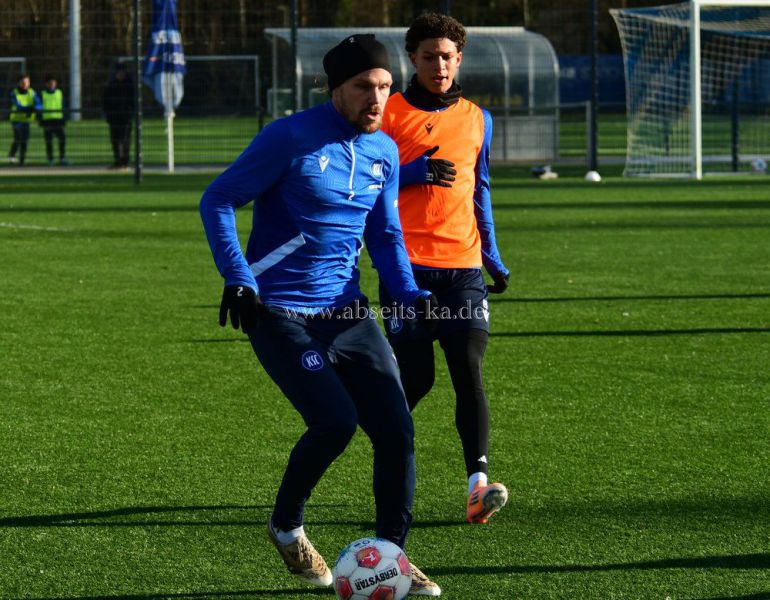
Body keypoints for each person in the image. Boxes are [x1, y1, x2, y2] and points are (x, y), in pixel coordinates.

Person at [199, 34, 442, 597]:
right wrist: (238, 277)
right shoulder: (288, 137)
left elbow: (385, 236)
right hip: (278, 309)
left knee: (397, 430)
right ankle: (286, 526)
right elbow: (217, 199)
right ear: (334, 88)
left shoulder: (383, 151)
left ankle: (393, 558)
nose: (376, 99)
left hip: (348, 310)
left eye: (384, 87)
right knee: (335, 421)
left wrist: (409, 296)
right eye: (363, 87)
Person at [380, 13, 511, 525]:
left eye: (450, 56)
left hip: (463, 268)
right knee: (416, 379)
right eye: (431, 55)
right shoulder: (386, 113)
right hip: (404, 270)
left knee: (468, 373)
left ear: (460, 60)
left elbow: (480, 188)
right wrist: (412, 173)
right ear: (412, 58)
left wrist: (492, 255)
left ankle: (478, 485)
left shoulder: (478, 117)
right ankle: (377, 450)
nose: (441, 65)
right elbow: (366, 184)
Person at [102, 63, 134, 169]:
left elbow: (133, 102)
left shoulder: (129, 85)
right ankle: (117, 160)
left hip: (125, 117)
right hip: (113, 117)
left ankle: (124, 161)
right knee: (115, 140)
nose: (120, 74)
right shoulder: (111, 85)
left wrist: (129, 112)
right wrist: (107, 113)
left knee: (125, 140)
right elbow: (105, 101)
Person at [8, 73, 41, 166]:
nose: (25, 84)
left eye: (27, 82)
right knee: (18, 138)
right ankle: (12, 155)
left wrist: (35, 108)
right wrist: (30, 109)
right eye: (22, 82)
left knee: (25, 140)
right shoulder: (14, 92)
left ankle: (22, 160)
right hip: (17, 120)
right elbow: (17, 105)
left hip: (26, 121)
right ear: (18, 83)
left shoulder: (32, 92)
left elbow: (39, 104)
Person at [39, 76, 68, 166]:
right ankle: (50, 159)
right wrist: (40, 119)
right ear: (46, 84)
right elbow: (39, 107)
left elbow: (63, 106)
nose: (52, 85)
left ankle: (62, 158)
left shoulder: (59, 93)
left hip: (58, 120)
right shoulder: (42, 94)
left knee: (62, 139)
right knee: (49, 141)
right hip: (47, 121)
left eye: (53, 83)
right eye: (50, 83)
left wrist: (64, 118)